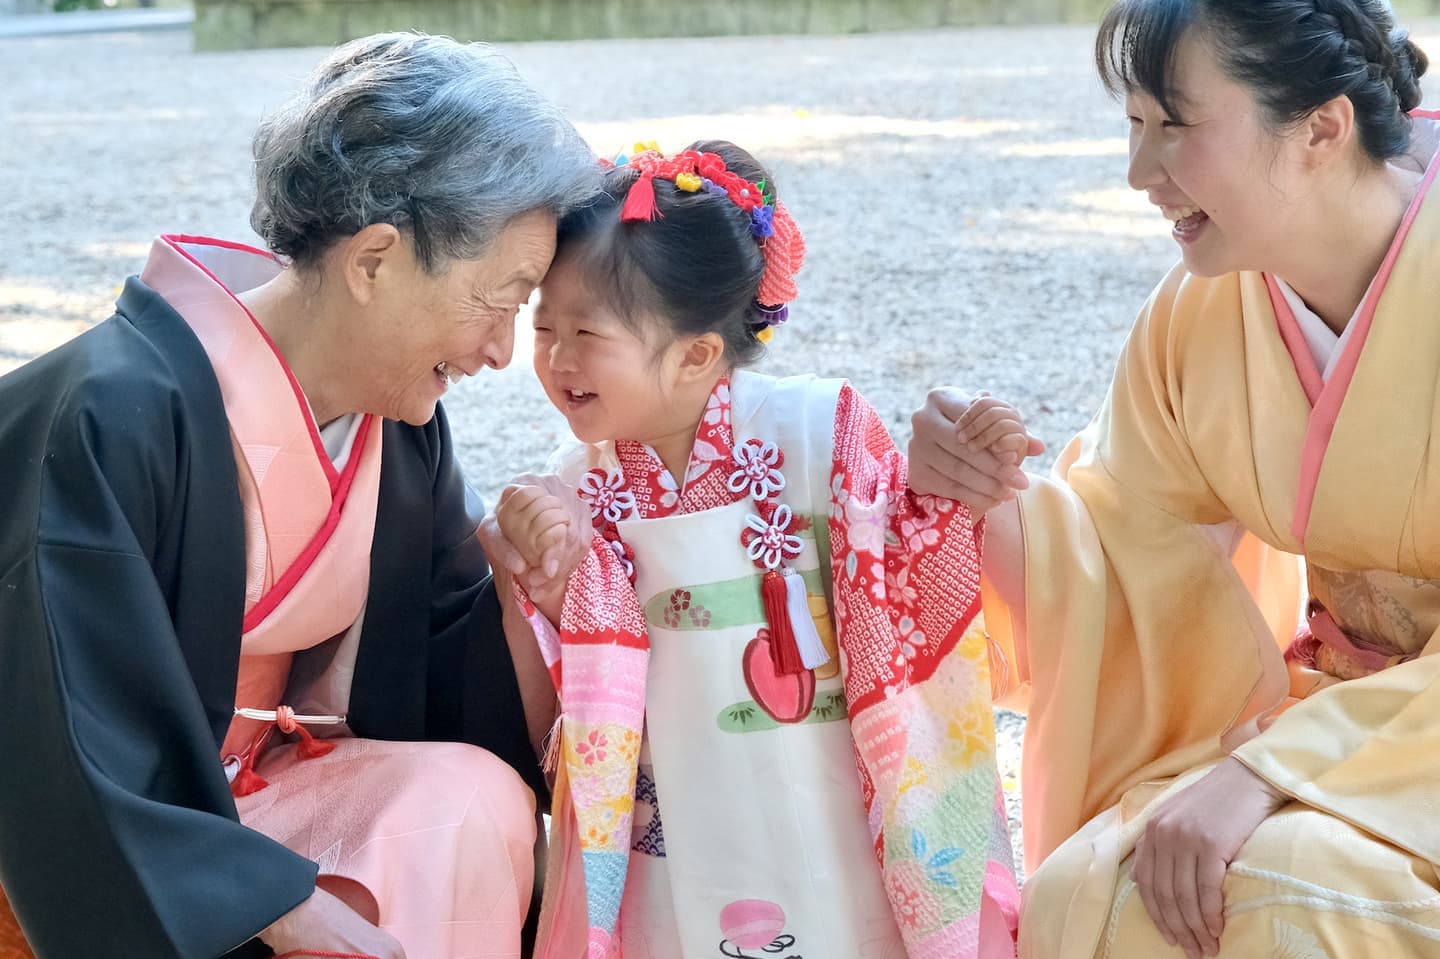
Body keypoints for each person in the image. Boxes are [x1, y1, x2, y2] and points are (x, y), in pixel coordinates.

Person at [0, 33, 598, 959]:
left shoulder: (397, 427)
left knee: (469, 801)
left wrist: (522, 604)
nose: (500, 353)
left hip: (255, 796)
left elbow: (436, 679)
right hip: (129, 834)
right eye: (503, 299)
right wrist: (263, 899)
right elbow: (55, 724)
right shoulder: (104, 411)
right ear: (373, 261)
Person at [909, 2, 1440, 957]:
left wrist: (1276, 770)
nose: (1140, 173)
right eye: (1135, 124)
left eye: (1177, 125)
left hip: (1396, 742)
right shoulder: (1203, 306)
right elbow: (1126, 548)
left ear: (1322, 126)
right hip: (1343, 725)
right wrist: (981, 501)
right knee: (1096, 884)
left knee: (1291, 888)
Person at [492, 141, 1031, 959]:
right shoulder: (578, 485)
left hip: (825, 786)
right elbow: (591, 667)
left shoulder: (821, 430)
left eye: (586, 332)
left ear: (699, 352)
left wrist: (944, 493)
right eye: (545, 327)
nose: (557, 358)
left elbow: (899, 567)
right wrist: (559, 573)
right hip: (678, 803)